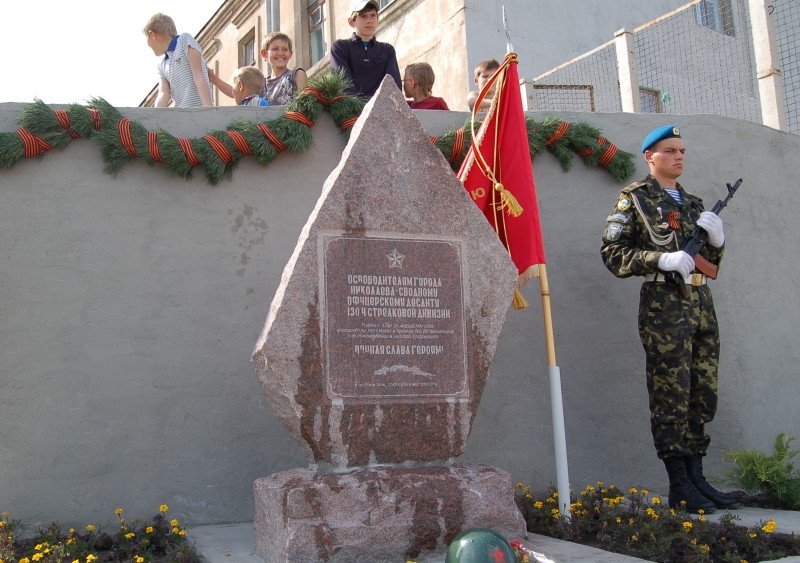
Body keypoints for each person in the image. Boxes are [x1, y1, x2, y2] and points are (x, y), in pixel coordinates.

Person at [600, 125, 738, 514]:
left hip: (700, 303)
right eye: (670, 150)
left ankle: (697, 478)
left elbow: (711, 268)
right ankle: (679, 483)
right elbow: (613, 253)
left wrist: (718, 242)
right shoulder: (636, 199)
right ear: (650, 157)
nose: (679, 156)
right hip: (664, 306)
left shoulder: (695, 204)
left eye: (682, 150)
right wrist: (659, 259)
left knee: (701, 393)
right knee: (671, 395)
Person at [209, 32, 307, 106]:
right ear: (264, 54)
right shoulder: (261, 82)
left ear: (290, 54)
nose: (280, 53)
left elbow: (305, 101)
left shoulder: (296, 74)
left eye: (285, 49)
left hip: (291, 128)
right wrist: (213, 78)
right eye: (275, 49)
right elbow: (237, 91)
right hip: (267, 130)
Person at [330, 0, 401, 98]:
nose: (369, 20)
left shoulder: (387, 50)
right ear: (351, 22)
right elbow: (344, 86)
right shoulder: (340, 47)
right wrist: (356, 108)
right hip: (351, 111)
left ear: (377, 18)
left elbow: (394, 88)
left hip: (381, 110)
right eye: (363, 16)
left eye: (373, 15)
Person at [143, 13, 213, 108]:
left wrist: (208, 109)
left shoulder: (184, 40)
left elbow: (198, 75)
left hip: (199, 109)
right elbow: (163, 94)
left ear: (152, 34)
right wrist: (154, 117)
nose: (149, 45)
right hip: (182, 116)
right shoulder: (162, 66)